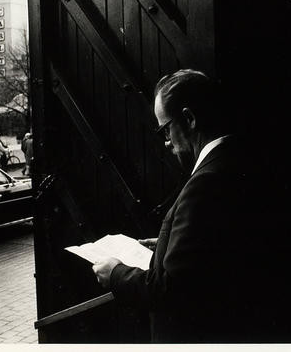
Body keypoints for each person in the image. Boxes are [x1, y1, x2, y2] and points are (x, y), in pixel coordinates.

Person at [92, 69, 275, 342]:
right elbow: (212, 252)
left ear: (189, 119)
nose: (166, 142)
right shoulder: (237, 160)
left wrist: (116, 274)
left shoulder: (205, 183)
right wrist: (168, 242)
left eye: (166, 129)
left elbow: (171, 290)